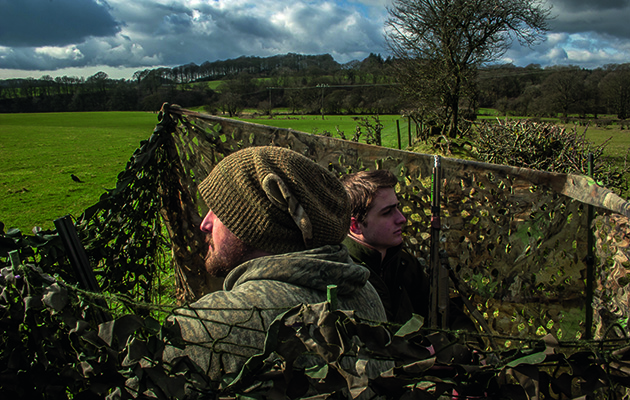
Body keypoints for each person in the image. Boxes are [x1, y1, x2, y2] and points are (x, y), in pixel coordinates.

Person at [165, 146, 388, 383]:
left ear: (257, 224)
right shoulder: (365, 293)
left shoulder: (208, 324)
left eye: (219, 210)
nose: (205, 223)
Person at [340, 169, 472, 329]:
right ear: (355, 226)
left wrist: (472, 347)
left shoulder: (403, 263)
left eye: (397, 207)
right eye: (387, 212)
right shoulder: (341, 272)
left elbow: (446, 314)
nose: (401, 218)